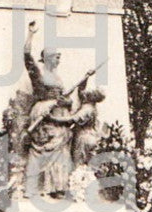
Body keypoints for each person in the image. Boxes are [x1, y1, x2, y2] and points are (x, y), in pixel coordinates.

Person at [22, 20, 75, 197]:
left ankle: (56, 187)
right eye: (55, 56)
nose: (58, 58)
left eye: (59, 56)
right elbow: (26, 56)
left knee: (61, 149)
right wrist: (31, 34)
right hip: (44, 113)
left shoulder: (57, 77)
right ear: (45, 58)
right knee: (43, 148)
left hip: (58, 113)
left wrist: (66, 103)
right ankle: (34, 188)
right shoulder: (40, 73)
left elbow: (64, 98)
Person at [71, 85, 107, 166]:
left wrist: (54, 118)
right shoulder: (93, 107)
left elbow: (73, 119)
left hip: (83, 137)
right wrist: (86, 77)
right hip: (92, 135)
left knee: (78, 163)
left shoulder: (86, 108)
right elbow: (81, 91)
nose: (84, 94)